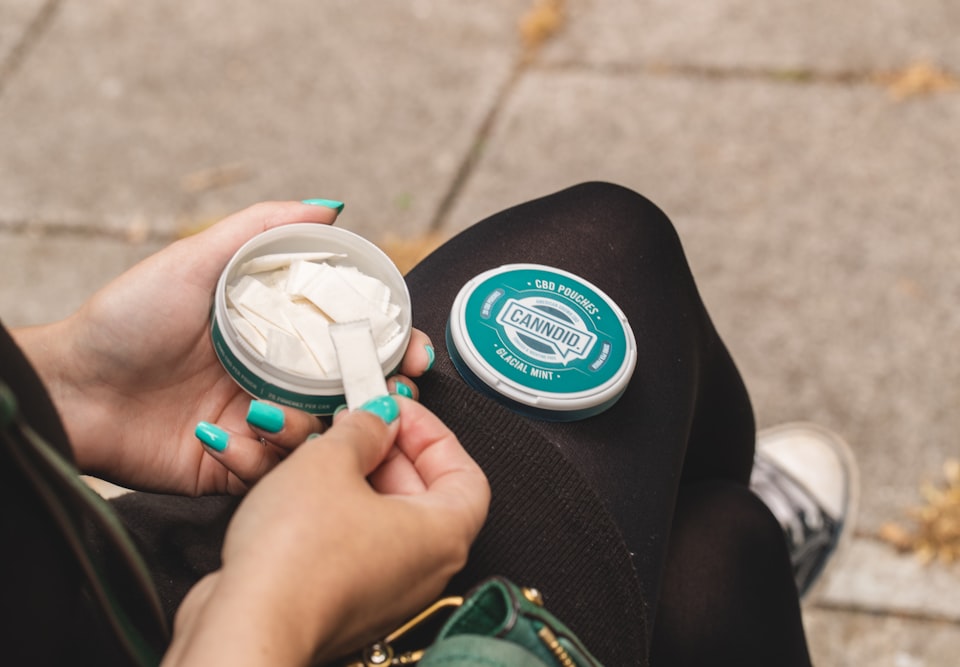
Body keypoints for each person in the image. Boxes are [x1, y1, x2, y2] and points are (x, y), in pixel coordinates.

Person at [1, 183, 855, 666]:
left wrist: (67, 386)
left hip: (80, 576)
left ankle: (664, 540)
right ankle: (662, 535)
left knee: (720, 550)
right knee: (616, 243)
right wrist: (277, 610)